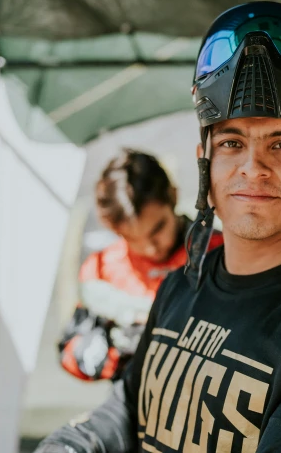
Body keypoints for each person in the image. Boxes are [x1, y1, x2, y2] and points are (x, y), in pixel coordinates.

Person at [38, 1, 281, 453]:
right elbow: (124, 411)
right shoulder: (181, 286)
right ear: (205, 165)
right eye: (232, 142)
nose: (253, 167)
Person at [59, 149, 224, 382]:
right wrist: (113, 348)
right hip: (137, 404)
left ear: (173, 196)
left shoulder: (221, 252)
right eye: (132, 239)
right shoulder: (101, 269)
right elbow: (70, 353)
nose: (150, 248)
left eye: (157, 230)